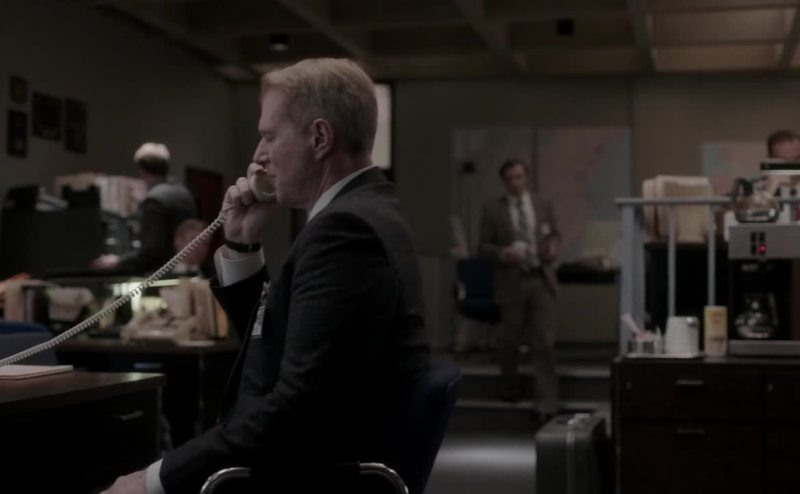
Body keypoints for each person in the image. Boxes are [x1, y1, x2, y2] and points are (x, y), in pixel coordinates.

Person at [101, 58, 430, 494]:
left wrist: (154, 479)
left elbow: (296, 408)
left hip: (306, 476)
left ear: (319, 138)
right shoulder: (368, 211)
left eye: (270, 136)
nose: (258, 155)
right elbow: (277, 349)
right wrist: (241, 245)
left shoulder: (344, 231)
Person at [478, 159, 560, 420]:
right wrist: (504, 253)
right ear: (504, 181)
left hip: (540, 278)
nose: (516, 182)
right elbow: (482, 247)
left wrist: (553, 247)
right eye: (510, 178)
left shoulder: (541, 203)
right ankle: (509, 389)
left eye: (519, 177)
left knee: (544, 341)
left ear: (526, 177)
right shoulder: (492, 209)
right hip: (511, 280)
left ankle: (546, 402)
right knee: (510, 340)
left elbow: (554, 234)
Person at [91, 142, 197, 274]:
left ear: (143, 170)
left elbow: (151, 252)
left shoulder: (155, 200)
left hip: (161, 273)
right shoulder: (184, 193)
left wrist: (117, 261)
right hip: (185, 270)